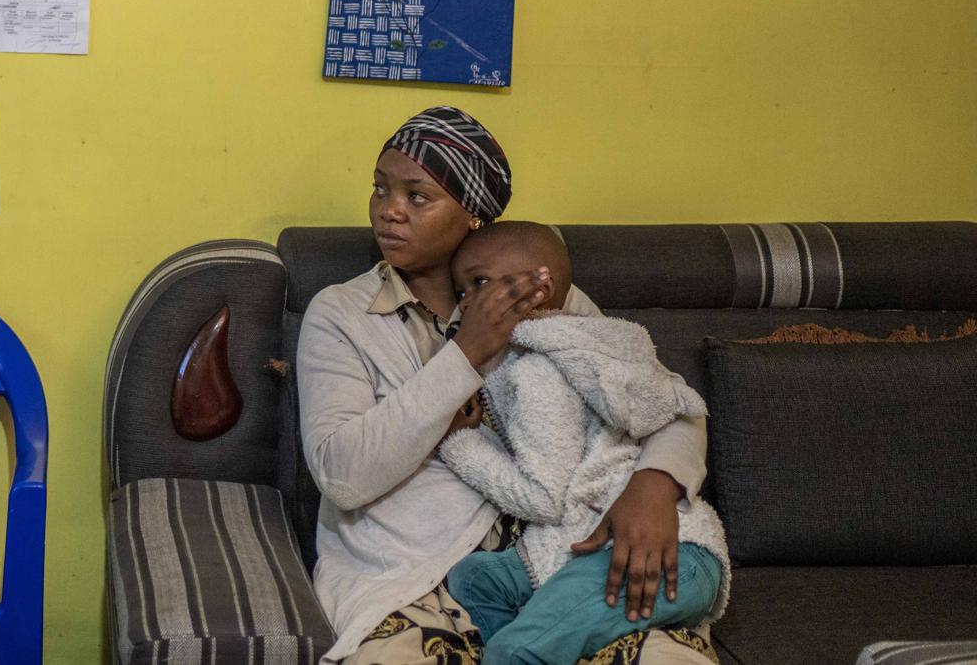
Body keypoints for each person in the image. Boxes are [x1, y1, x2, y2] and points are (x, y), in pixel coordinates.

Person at [295, 107, 711, 665]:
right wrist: (467, 351)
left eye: (417, 196)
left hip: (568, 556)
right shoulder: (341, 313)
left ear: (472, 216)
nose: (389, 210)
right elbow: (342, 475)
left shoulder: (537, 292)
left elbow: (665, 400)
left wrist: (655, 484)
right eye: (380, 189)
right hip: (415, 577)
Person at [437, 221, 730, 665]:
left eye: (480, 283)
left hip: (653, 555)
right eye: (461, 292)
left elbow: (542, 497)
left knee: (512, 651)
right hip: (583, 543)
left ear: (541, 286)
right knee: (475, 579)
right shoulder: (598, 341)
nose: (467, 304)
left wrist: (459, 441)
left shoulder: (536, 370)